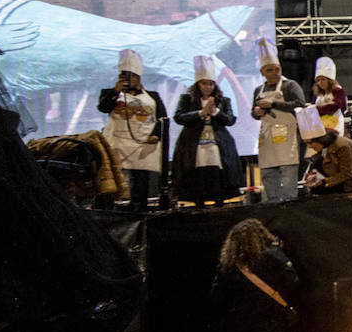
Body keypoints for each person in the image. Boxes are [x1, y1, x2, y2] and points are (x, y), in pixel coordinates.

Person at [96, 48, 168, 211]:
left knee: (140, 179)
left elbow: (162, 119)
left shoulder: (153, 96)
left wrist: (156, 135)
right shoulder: (109, 93)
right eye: (124, 75)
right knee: (112, 178)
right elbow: (103, 108)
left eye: (132, 76)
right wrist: (116, 91)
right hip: (117, 142)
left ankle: (139, 209)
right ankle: (108, 209)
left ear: (139, 77)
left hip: (143, 144)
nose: (128, 79)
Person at [172, 56, 241, 206]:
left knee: (217, 173)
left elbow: (230, 120)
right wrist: (200, 113)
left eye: (211, 84)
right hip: (194, 143)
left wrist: (215, 111)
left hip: (217, 143)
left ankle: (219, 202)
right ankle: (198, 203)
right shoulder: (187, 99)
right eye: (204, 84)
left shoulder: (223, 100)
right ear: (198, 84)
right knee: (197, 172)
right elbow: (178, 117)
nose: (207, 87)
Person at [250, 38, 306, 203]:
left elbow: (300, 103)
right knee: (267, 173)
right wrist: (257, 112)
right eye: (270, 70)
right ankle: (272, 203)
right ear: (262, 72)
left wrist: (274, 103)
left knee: (288, 174)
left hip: (287, 137)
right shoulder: (258, 90)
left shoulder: (290, 86)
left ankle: (290, 203)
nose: (275, 73)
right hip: (267, 138)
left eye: (277, 69)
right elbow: (253, 113)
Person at [298, 106, 352, 194]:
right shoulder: (324, 148)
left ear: (319, 139)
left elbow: (347, 173)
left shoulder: (342, 146)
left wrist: (323, 182)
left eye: (310, 143)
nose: (309, 147)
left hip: (350, 185)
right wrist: (315, 176)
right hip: (337, 183)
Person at [311, 56, 347, 135]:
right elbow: (312, 108)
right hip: (320, 127)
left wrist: (319, 109)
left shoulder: (338, 91)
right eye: (318, 80)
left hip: (335, 125)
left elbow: (336, 106)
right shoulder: (317, 95)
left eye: (323, 79)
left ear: (330, 80)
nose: (320, 82)